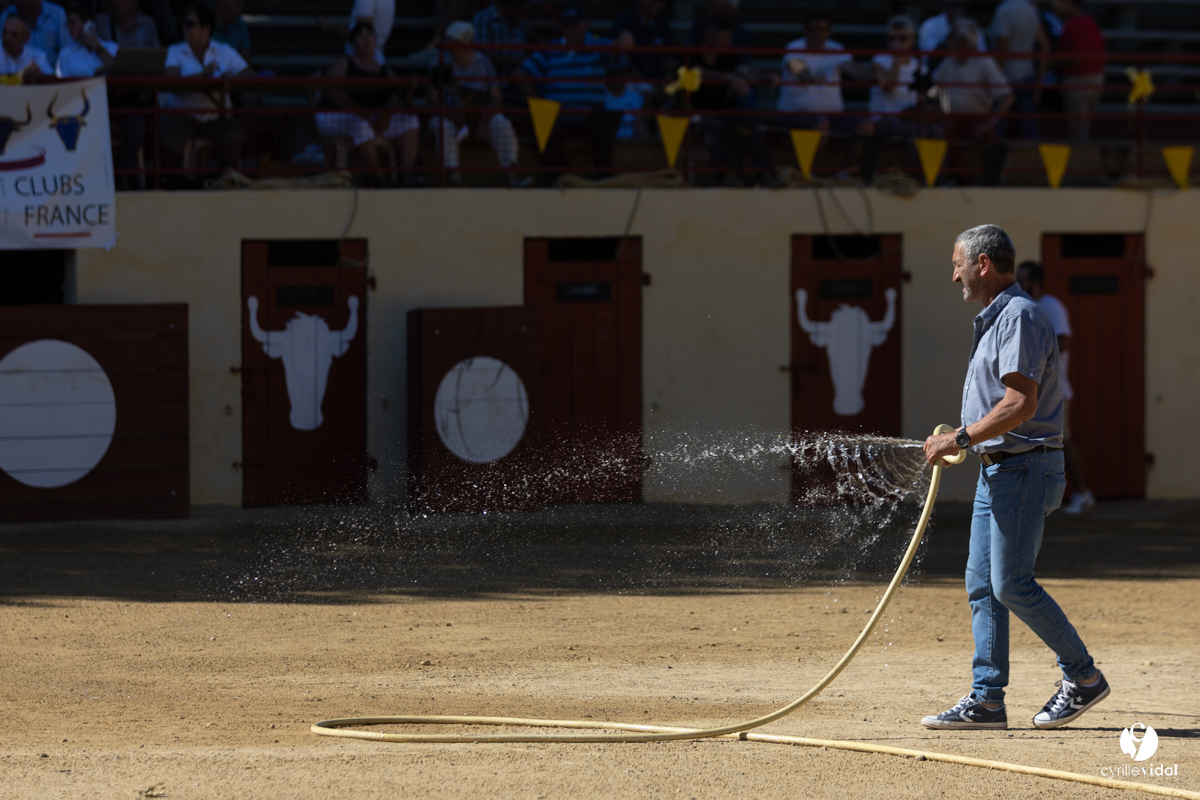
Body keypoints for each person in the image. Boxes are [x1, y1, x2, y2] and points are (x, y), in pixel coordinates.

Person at [922, 224, 1109, 731]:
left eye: (958, 262)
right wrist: (968, 442)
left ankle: (1084, 677)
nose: (952, 272)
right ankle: (987, 701)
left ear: (983, 264)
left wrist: (959, 438)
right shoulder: (999, 318)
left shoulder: (1019, 317)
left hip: (1023, 467)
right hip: (1001, 470)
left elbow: (1020, 405)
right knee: (983, 584)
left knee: (1010, 584)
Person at [1016, 261, 1094, 513]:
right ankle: (1041, 498)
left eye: (1023, 279)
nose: (1019, 283)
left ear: (1036, 282)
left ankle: (1083, 494)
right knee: (1035, 443)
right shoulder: (1027, 306)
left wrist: (1031, 357)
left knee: (1061, 441)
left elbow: (1063, 342)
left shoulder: (1051, 306)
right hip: (1035, 390)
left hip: (1055, 390)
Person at [513, 5, 628, 176]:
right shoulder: (550, 49)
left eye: (576, 25)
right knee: (541, 132)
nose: (571, 30)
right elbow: (519, 75)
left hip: (591, 114)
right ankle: (563, 178)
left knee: (605, 128)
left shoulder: (599, 45)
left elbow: (620, 46)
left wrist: (625, 38)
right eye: (567, 26)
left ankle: (604, 182)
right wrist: (540, 103)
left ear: (586, 24)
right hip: (558, 114)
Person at [316, 21, 419, 186]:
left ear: (376, 40)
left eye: (369, 35)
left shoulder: (385, 71)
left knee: (410, 121)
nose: (366, 39)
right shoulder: (344, 62)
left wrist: (407, 89)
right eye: (360, 36)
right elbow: (333, 92)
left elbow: (401, 100)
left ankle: (406, 177)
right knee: (361, 125)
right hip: (333, 116)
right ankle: (379, 179)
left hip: (371, 119)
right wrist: (363, 114)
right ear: (353, 42)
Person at [428, 21, 525, 187]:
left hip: (481, 119)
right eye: (450, 41)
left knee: (501, 122)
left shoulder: (484, 63)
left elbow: (497, 98)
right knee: (441, 125)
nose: (452, 46)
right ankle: (452, 176)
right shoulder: (438, 64)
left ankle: (511, 176)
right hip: (452, 117)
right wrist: (457, 118)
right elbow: (433, 99)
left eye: (456, 42)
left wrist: (481, 118)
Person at [161, 3, 254, 172]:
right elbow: (171, 80)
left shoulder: (224, 50)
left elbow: (248, 74)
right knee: (168, 134)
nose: (185, 28)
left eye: (190, 24)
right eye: (183, 24)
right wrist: (202, 76)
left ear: (206, 28)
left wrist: (229, 78)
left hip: (216, 119)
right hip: (181, 119)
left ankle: (225, 182)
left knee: (233, 135)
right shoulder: (174, 51)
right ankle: (174, 183)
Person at [931, 19, 1012, 185]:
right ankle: (966, 179)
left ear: (963, 42)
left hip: (978, 118)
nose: (948, 42)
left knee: (991, 141)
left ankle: (993, 180)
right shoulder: (948, 62)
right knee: (939, 132)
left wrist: (991, 122)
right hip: (952, 120)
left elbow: (1007, 96)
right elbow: (932, 91)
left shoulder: (985, 63)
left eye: (952, 38)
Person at [689, 18, 769, 185]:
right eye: (725, 37)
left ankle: (763, 173)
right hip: (695, 113)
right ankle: (724, 175)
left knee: (750, 124)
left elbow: (744, 69)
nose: (730, 41)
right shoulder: (692, 54)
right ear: (710, 37)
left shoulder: (729, 56)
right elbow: (698, 72)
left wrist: (767, 77)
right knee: (711, 125)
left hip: (724, 112)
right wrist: (728, 77)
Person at [861, 15, 925, 184]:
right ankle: (917, 177)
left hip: (907, 118)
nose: (897, 42)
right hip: (881, 119)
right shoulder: (878, 60)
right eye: (892, 38)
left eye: (902, 38)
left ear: (913, 40)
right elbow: (890, 86)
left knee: (936, 130)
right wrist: (897, 58)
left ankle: (934, 179)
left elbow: (923, 97)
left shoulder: (919, 66)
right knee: (918, 131)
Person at [989, 0, 1048, 140]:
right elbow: (1046, 46)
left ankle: (994, 157)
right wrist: (1039, 82)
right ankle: (1032, 155)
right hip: (1027, 77)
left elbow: (1002, 50)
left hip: (1007, 77)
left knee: (999, 123)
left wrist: (996, 80)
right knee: (1027, 125)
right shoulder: (1029, 9)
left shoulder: (1004, 11)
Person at [1049, 0, 1104, 142]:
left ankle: (1082, 162)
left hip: (1078, 79)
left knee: (1078, 130)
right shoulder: (1088, 22)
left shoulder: (1074, 24)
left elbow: (1077, 57)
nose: (1054, 4)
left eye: (1059, 2)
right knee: (1082, 127)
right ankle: (1084, 159)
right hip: (1094, 77)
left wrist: (1050, 64)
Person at [612, 0, 671, 82]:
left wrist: (666, 84)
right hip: (631, 86)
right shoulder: (624, 22)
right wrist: (644, 85)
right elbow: (620, 59)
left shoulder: (663, 25)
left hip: (659, 85)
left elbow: (668, 57)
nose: (661, 6)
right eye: (657, 2)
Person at [56, 2, 116, 77]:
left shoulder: (113, 48)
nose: (69, 28)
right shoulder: (66, 54)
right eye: (67, 24)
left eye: (72, 22)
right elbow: (63, 85)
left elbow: (120, 71)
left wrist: (98, 48)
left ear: (88, 23)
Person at [471, 0, 529, 78]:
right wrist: (518, 61)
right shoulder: (483, 19)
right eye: (523, 11)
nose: (524, 14)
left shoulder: (520, 21)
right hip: (491, 80)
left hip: (519, 80)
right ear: (511, 8)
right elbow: (481, 56)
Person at [0, 0, 68, 65]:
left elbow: (66, 50)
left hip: (54, 72)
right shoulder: (6, 17)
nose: (18, 2)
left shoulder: (58, 14)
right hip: (18, 70)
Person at [919, 0, 985, 53]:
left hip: (968, 68)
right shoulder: (930, 26)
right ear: (944, 5)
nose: (957, 9)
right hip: (941, 68)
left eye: (961, 5)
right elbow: (929, 61)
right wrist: (952, 34)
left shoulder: (973, 26)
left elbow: (982, 54)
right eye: (953, 4)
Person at [95, 0, 160, 49]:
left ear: (135, 2)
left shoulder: (147, 23)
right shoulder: (100, 22)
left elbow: (157, 55)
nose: (117, 3)